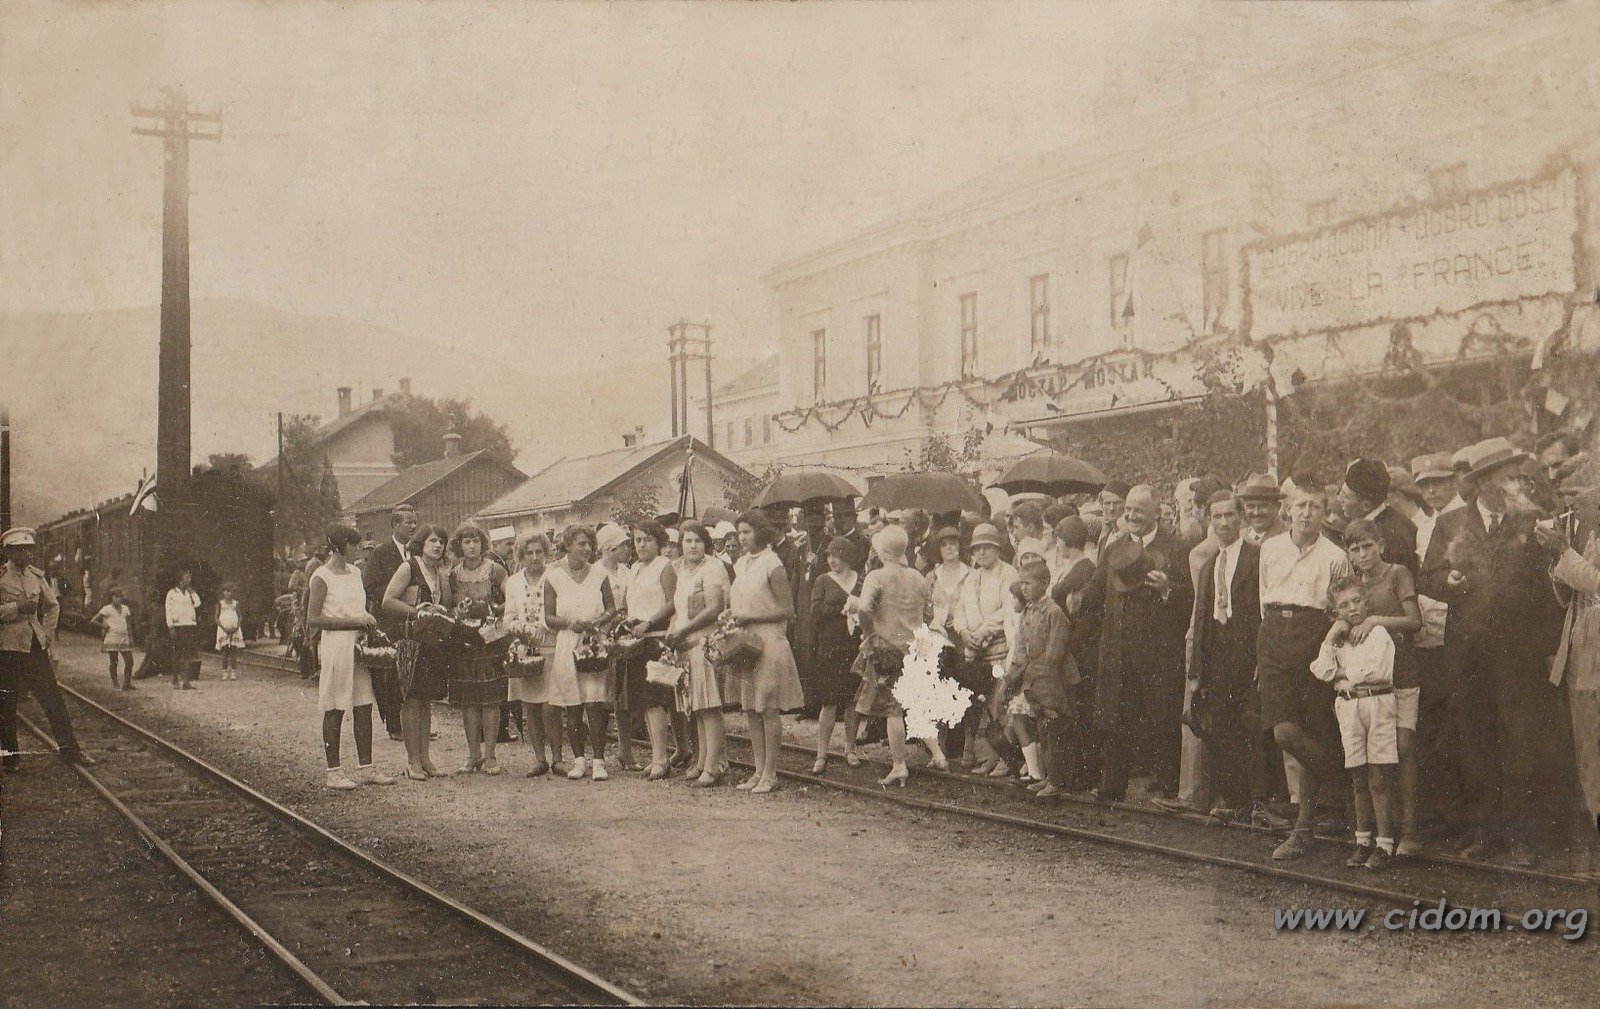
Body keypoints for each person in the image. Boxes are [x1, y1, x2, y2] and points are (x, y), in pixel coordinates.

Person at [1420, 438, 1573, 865]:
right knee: (1474, 741)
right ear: (1483, 483)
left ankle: (1522, 839)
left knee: (1519, 742)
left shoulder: (1530, 522)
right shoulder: (1450, 523)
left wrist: (1548, 647)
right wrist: (1446, 582)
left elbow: (1547, 591)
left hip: (1517, 655)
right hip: (1467, 655)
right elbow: (1426, 576)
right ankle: (1486, 834)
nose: (1511, 483)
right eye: (1503, 477)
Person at [1081, 485, 1193, 803]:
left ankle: (1167, 787)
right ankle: (1113, 784)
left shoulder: (1176, 548)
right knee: (1116, 715)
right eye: (1128, 509)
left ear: (1156, 512)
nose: (1131, 515)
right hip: (1118, 648)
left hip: (1158, 651)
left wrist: (1168, 588)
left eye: (1139, 510)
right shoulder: (1114, 546)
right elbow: (1095, 591)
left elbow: (1191, 596)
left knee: (1163, 716)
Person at [1256, 480, 1348, 860]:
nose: (1306, 513)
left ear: (1324, 513)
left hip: (1314, 636)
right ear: (1289, 510)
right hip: (1274, 635)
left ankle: (1303, 829)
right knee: (1283, 731)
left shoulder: (1335, 556)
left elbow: (1339, 609)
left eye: (1314, 506)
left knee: (1310, 730)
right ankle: (1345, 787)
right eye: (1301, 505)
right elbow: (1263, 599)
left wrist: (1326, 650)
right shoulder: (1270, 548)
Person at [1339, 518, 1423, 855]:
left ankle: (1411, 830)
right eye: (1355, 549)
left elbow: (1414, 621)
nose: (1362, 554)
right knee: (1376, 757)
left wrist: (1375, 620)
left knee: (1404, 745)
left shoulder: (1397, 573)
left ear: (1381, 546)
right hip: (1373, 684)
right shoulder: (1353, 586)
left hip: (1403, 673)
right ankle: (1381, 833)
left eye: (1368, 546)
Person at [1185, 492, 1265, 823]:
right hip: (1217, 655)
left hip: (1247, 652)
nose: (1223, 522)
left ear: (1241, 517)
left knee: (1251, 725)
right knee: (1221, 725)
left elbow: (1264, 611)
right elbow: (1202, 619)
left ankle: (1258, 802)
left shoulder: (1257, 558)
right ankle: (1233, 801)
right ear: (1209, 520)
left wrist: (1262, 657)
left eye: (1229, 515)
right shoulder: (1209, 566)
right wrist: (1196, 670)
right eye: (1217, 516)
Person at [1310, 577, 1399, 871]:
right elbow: (1322, 671)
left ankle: (1385, 844)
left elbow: (1376, 671)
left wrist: (1343, 673)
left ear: (1366, 602)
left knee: (1378, 777)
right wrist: (1331, 636)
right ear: (1336, 612)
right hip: (1348, 707)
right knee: (1358, 775)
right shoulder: (1338, 639)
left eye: (1357, 601)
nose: (1352, 609)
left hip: (1377, 704)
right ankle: (1363, 841)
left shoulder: (1378, 633)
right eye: (1344, 605)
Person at [308, 523, 395, 790]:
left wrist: (366, 622)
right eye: (352, 544)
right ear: (338, 546)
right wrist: (353, 622)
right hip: (336, 646)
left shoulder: (356, 572)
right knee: (335, 706)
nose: (356, 549)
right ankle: (333, 772)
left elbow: (359, 607)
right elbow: (314, 619)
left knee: (363, 705)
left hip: (359, 646)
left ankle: (366, 768)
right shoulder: (321, 577)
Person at [849, 524, 937, 786]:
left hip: (887, 649)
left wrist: (870, 636)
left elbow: (864, 609)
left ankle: (899, 765)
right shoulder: (918, 577)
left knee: (893, 710)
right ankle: (938, 754)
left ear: (882, 552)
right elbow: (929, 613)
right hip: (916, 648)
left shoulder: (876, 577)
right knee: (915, 702)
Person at [725, 510, 806, 794]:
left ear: (760, 532)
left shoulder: (773, 563)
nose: (742, 538)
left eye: (747, 532)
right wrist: (732, 615)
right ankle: (758, 770)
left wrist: (750, 617)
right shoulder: (741, 563)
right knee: (751, 709)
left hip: (770, 643)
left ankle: (770, 773)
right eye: (739, 533)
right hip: (746, 643)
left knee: (768, 709)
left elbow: (788, 610)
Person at [0, 527, 94, 770]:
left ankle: (71, 751)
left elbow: (53, 605)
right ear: (9, 552)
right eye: (21, 549)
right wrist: (16, 608)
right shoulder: (2, 577)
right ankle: (10, 758)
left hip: (34, 647)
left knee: (53, 699)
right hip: (7, 648)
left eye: (29, 549)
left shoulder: (36, 576)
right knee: (6, 703)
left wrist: (47, 633)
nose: (27, 554)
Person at [543, 524, 618, 781]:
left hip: (593, 642)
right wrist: (568, 622)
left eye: (589, 544)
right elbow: (548, 617)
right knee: (572, 705)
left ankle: (599, 761)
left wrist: (597, 622)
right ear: (568, 545)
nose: (586, 549)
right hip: (567, 643)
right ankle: (578, 761)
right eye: (581, 544)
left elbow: (611, 608)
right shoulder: (553, 576)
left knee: (595, 703)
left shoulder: (599, 574)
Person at [382, 523, 454, 780]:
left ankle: (426, 759)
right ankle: (412, 761)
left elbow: (446, 605)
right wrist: (416, 612)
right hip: (410, 641)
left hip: (432, 642)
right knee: (411, 700)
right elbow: (388, 600)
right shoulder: (409, 567)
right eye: (433, 540)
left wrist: (443, 578)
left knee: (426, 700)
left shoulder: (438, 571)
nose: (438, 545)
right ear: (421, 543)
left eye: (441, 541)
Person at [1002, 559, 1079, 798]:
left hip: (1054, 681)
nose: (1024, 588)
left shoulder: (1053, 612)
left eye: (1029, 583)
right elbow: (1021, 650)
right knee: (1042, 729)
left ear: (1045, 583)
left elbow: (1055, 655)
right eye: (1022, 583)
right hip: (1036, 680)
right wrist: (1013, 678)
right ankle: (1048, 778)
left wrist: (1036, 676)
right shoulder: (1028, 611)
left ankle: (1059, 781)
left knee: (1055, 728)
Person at [665, 522, 731, 787]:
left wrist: (684, 631)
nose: (693, 546)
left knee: (709, 705)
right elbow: (680, 610)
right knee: (697, 706)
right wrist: (675, 632)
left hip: (705, 643)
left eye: (698, 540)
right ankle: (703, 760)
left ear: (706, 543)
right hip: (686, 645)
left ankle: (714, 766)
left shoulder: (713, 567)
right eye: (688, 541)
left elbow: (714, 608)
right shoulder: (683, 571)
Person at [953, 523, 1018, 774]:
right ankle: (975, 753)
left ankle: (1000, 758)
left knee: (997, 703)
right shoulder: (971, 577)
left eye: (987, 548)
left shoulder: (1008, 574)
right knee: (974, 702)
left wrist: (982, 631)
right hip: (975, 650)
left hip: (998, 648)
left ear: (997, 549)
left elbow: (1007, 610)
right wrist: (963, 631)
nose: (981, 553)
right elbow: (959, 609)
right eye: (977, 549)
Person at [446, 523, 509, 776]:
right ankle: (473, 754)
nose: (472, 546)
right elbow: (448, 606)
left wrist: (493, 609)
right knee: (468, 700)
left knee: (491, 699)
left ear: (483, 544)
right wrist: (458, 612)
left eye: (476, 541)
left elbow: (512, 599)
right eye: (467, 541)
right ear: (459, 545)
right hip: (464, 643)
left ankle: (491, 755)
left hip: (490, 642)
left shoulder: (495, 570)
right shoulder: (453, 574)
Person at [504, 532, 566, 776]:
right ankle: (540, 759)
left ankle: (558, 759)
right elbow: (508, 617)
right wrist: (522, 628)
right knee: (530, 706)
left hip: (552, 645)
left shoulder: (556, 576)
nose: (534, 557)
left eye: (539, 552)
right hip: (526, 650)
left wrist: (545, 625)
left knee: (551, 706)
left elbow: (562, 609)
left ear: (546, 553)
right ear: (521, 555)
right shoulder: (513, 582)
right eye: (528, 553)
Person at [623, 521, 680, 780]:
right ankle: (658, 756)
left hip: (656, 638)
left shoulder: (664, 566)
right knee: (645, 702)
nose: (642, 544)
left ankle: (661, 758)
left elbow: (672, 603)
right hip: (637, 641)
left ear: (658, 542)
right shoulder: (635, 568)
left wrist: (649, 622)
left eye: (647, 539)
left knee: (655, 700)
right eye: (637, 540)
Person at [809, 535, 865, 773]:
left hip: (854, 646)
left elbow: (871, 606)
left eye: (837, 556)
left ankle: (850, 749)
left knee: (853, 701)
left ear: (847, 557)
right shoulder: (823, 580)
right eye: (829, 556)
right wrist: (842, 609)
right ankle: (821, 754)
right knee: (829, 702)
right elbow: (815, 610)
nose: (832, 560)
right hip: (830, 648)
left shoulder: (860, 580)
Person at [363, 504, 418, 741]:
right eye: (408, 522)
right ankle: (395, 725)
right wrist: (395, 596)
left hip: (413, 620)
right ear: (395, 525)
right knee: (393, 673)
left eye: (415, 522)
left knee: (414, 671)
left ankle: (415, 723)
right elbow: (369, 586)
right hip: (389, 621)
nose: (413, 527)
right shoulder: (381, 553)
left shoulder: (418, 552)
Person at [596, 523, 638, 770]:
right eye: (623, 545)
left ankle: (625, 750)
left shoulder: (627, 571)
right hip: (602, 637)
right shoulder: (596, 572)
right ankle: (598, 754)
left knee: (623, 697)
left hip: (624, 637)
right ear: (610, 548)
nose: (628, 549)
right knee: (600, 697)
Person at [1338, 459, 1418, 576]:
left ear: (1366, 506)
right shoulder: (1397, 520)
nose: (1340, 499)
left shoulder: (1384, 535)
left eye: (1346, 496)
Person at [93, 586, 136, 691]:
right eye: (116, 597)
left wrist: (131, 637)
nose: (119, 599)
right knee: (114, 661)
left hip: (124, 638)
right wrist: (104, 626)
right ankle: (115, 684)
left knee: (130, 661)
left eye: (120, 597)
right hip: (112, 638)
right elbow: (93, 620)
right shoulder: (107, 609)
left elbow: (128, 624)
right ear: (111, 598)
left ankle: (127, 684)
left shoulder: (125, 608)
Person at [166, 568, 202, 690]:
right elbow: (168, 610)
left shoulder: (189, 593)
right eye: (187, 578)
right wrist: (170, 626)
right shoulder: (172, 593)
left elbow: (198, 604)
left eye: (190, 578)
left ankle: (186, 681)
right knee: (177, 653)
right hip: (177, 626)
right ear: (181, 579)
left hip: (189, 624)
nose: (189, 580)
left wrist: (193, 593)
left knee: (188, 653)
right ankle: (175, 679)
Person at [215, 583, 245, 680]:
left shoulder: (236, 603)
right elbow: (216, 618)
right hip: (223, 630)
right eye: (227, 591)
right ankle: (224, 672)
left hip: (234, 629)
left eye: (231, 591)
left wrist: (237, 626)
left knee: (233, 651)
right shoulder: (220, 603)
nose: (229, 593)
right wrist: (223, 628)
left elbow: (240, 616)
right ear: (223, 592)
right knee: (224, 651)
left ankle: (233, 672)